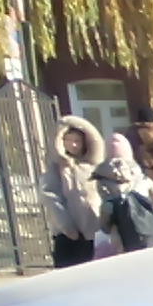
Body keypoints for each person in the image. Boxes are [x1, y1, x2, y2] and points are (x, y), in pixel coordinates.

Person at [41, 114, 107, 266]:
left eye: (77, 141)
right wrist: (66, 226)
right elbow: (51, 197)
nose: (73, 145)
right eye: (68, 141)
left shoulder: (95, 165)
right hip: (68, 234)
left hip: (94, 229)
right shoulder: (56, 167)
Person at [97, 128, 153, 251]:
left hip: (122, 233)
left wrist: (105, 226)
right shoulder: (139, 175)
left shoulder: (103, 179)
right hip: (150, 227)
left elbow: (106, 209)